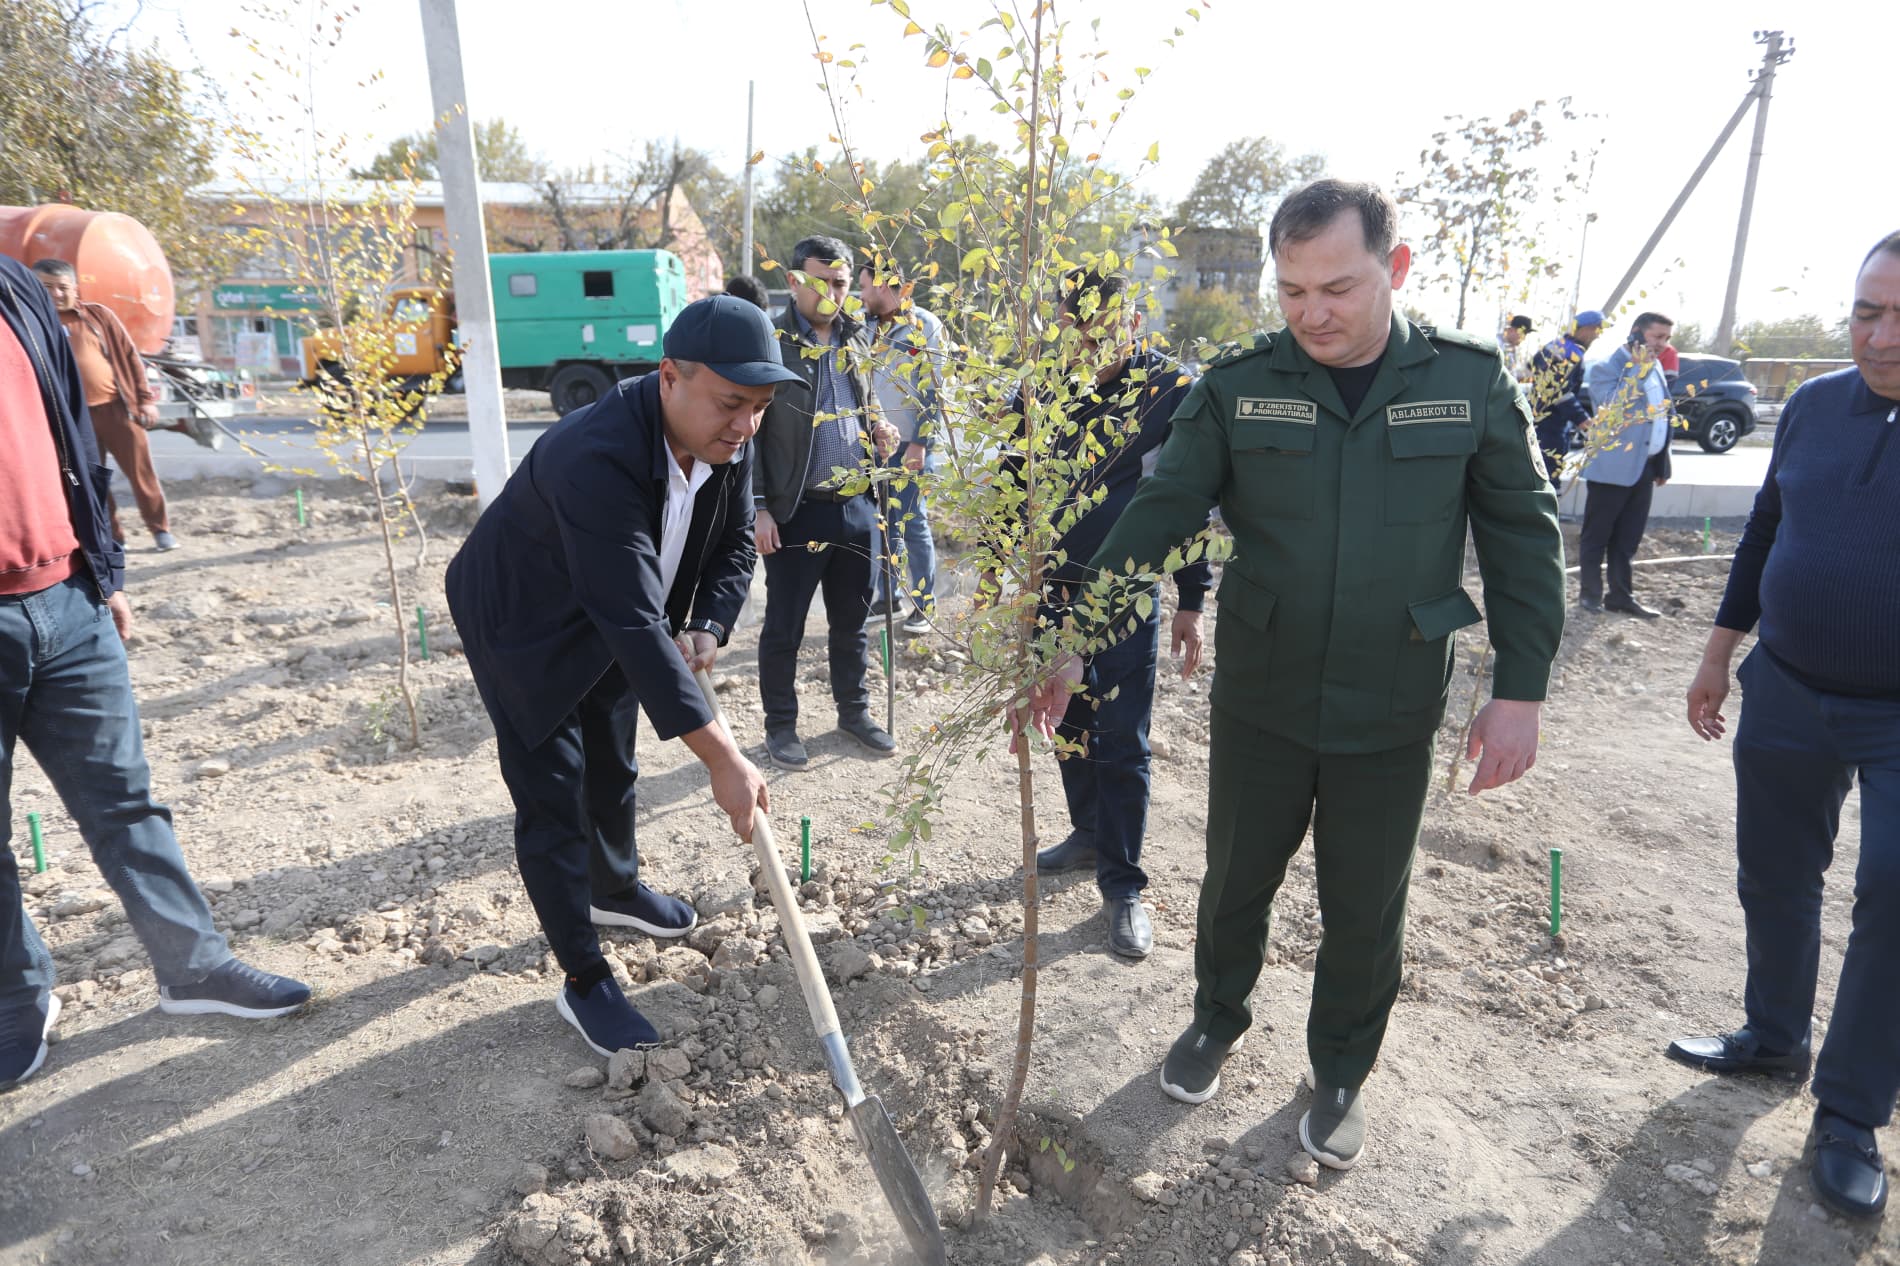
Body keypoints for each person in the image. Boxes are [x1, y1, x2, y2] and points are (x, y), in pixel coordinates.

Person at [1028, 180, 1565, 1170]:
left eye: (1338, 287)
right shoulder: (1236, 385)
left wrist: (1520, 689)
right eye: (1291, 291)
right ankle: (1213, 1020)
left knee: (1365, 902)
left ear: (1394, 270)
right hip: (1265, 695)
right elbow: (1159, 513)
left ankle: (1341, 1068)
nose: (1312, 312)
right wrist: (1074, 626)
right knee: (1236, 877)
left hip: (1394, 697)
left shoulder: (1469, 381)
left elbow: (1524, 541)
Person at [1, 255, 309, 1089]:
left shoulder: (17, 290)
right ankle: (15, 1004)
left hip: (65, 600)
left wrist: (105, 572)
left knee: (127, 802)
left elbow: (73, 433)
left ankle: (194, 968)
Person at [444, 296, 781, 1056]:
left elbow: (732, 545)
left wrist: (708, 624)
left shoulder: (729, 440)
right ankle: (584, 978)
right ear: (670, 377)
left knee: (614, 761)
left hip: (617, 615)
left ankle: (616, 888)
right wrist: (721, 760)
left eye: (759, 408)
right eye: (732, 403)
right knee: (554, 792)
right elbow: (629, 619)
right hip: (523, 626)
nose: (746, 424)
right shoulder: (593, 457)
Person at [1673, 231, 1900, 1221]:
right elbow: (1766, 530)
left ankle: (1848, 1112)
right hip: (1788, 690)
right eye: (1866, 311)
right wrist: (1720, 651)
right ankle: (1772, 1037)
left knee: (1893, 895)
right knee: (1772, 872)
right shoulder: (1810, 407)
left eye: (1899, 317)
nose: (1879, 335)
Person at [1010, 270, 1210, 960]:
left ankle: (1123, 885)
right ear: (1064, 322)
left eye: (1109, 326)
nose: (1093, 341)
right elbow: (1010, 487)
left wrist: (1192, 596)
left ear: (1133, 322)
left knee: (1122, 737)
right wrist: (1007, 586)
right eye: (1080, 327)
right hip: (1051, 591)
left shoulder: (1169, 393)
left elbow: (1182, 500)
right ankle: (1088, 831)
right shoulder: (1042, 388)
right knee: (1066, 723)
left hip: (1124, 595)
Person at [752, 235, 900, 771]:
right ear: (794, 281)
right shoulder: (771, 343)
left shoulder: (856, 338)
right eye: (824, 281)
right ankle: (781, 726)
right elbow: (750, 432)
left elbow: (865, 400)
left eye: (842, 283)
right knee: (785, 626)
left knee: (852, 623)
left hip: (859, 506)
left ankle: (854, 713)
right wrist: (760, 506)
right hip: (797, 510)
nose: (836, 293)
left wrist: (878, 425)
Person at [30, 259, 178, 552]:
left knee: (142, 474)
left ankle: (160, 530)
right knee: (92, 480)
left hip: (116, 409)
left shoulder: (98, 316)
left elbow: (130, 357)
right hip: (71, 418)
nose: (56, 294)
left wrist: (145, 400)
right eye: (47, 287)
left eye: (62, 287)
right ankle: (112, 537)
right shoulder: (30, 323)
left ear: (75, 288)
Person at [858, 258, 946, 637]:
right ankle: (888, 596)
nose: (859, 296)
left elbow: (932, 389)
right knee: (884, 524)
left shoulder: (923, 325)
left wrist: (920, 443)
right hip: (877, 446)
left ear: (882, 286)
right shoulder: (867, 326)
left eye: (863, 287)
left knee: (913, 524)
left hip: (910, 447)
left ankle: (925, 605)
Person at [1577, 313, 1674, 617]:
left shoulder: (1656, 366)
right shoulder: (1608, 368)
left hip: (1644, 467)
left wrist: (1661, 462)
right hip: (1612, 468)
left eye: (1667, 338)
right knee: (1597, 536)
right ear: (1636, 334)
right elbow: (1611, 409)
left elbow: (1662, 414)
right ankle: (1590, 595)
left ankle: (1620, 596)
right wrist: (1637, 367)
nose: (1663, 344)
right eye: (1657, 337)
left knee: (1628, 539)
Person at [1527, 310, 1605, 486]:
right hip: (1551, 425)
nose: (1598, 336)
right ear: (1586, 329)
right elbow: (1559, 391)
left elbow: (1531, 368)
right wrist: (1582, 418)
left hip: (1536, 418)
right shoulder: (1572, 353)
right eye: (1597, 330)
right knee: (1546, 478)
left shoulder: (1554, 345)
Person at [1498, 313, 1535, 383]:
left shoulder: (1514, 351)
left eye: (1526, 334)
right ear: (1511, 330)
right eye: (1522, 333)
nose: (1524, 338)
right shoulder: (1497, 346)